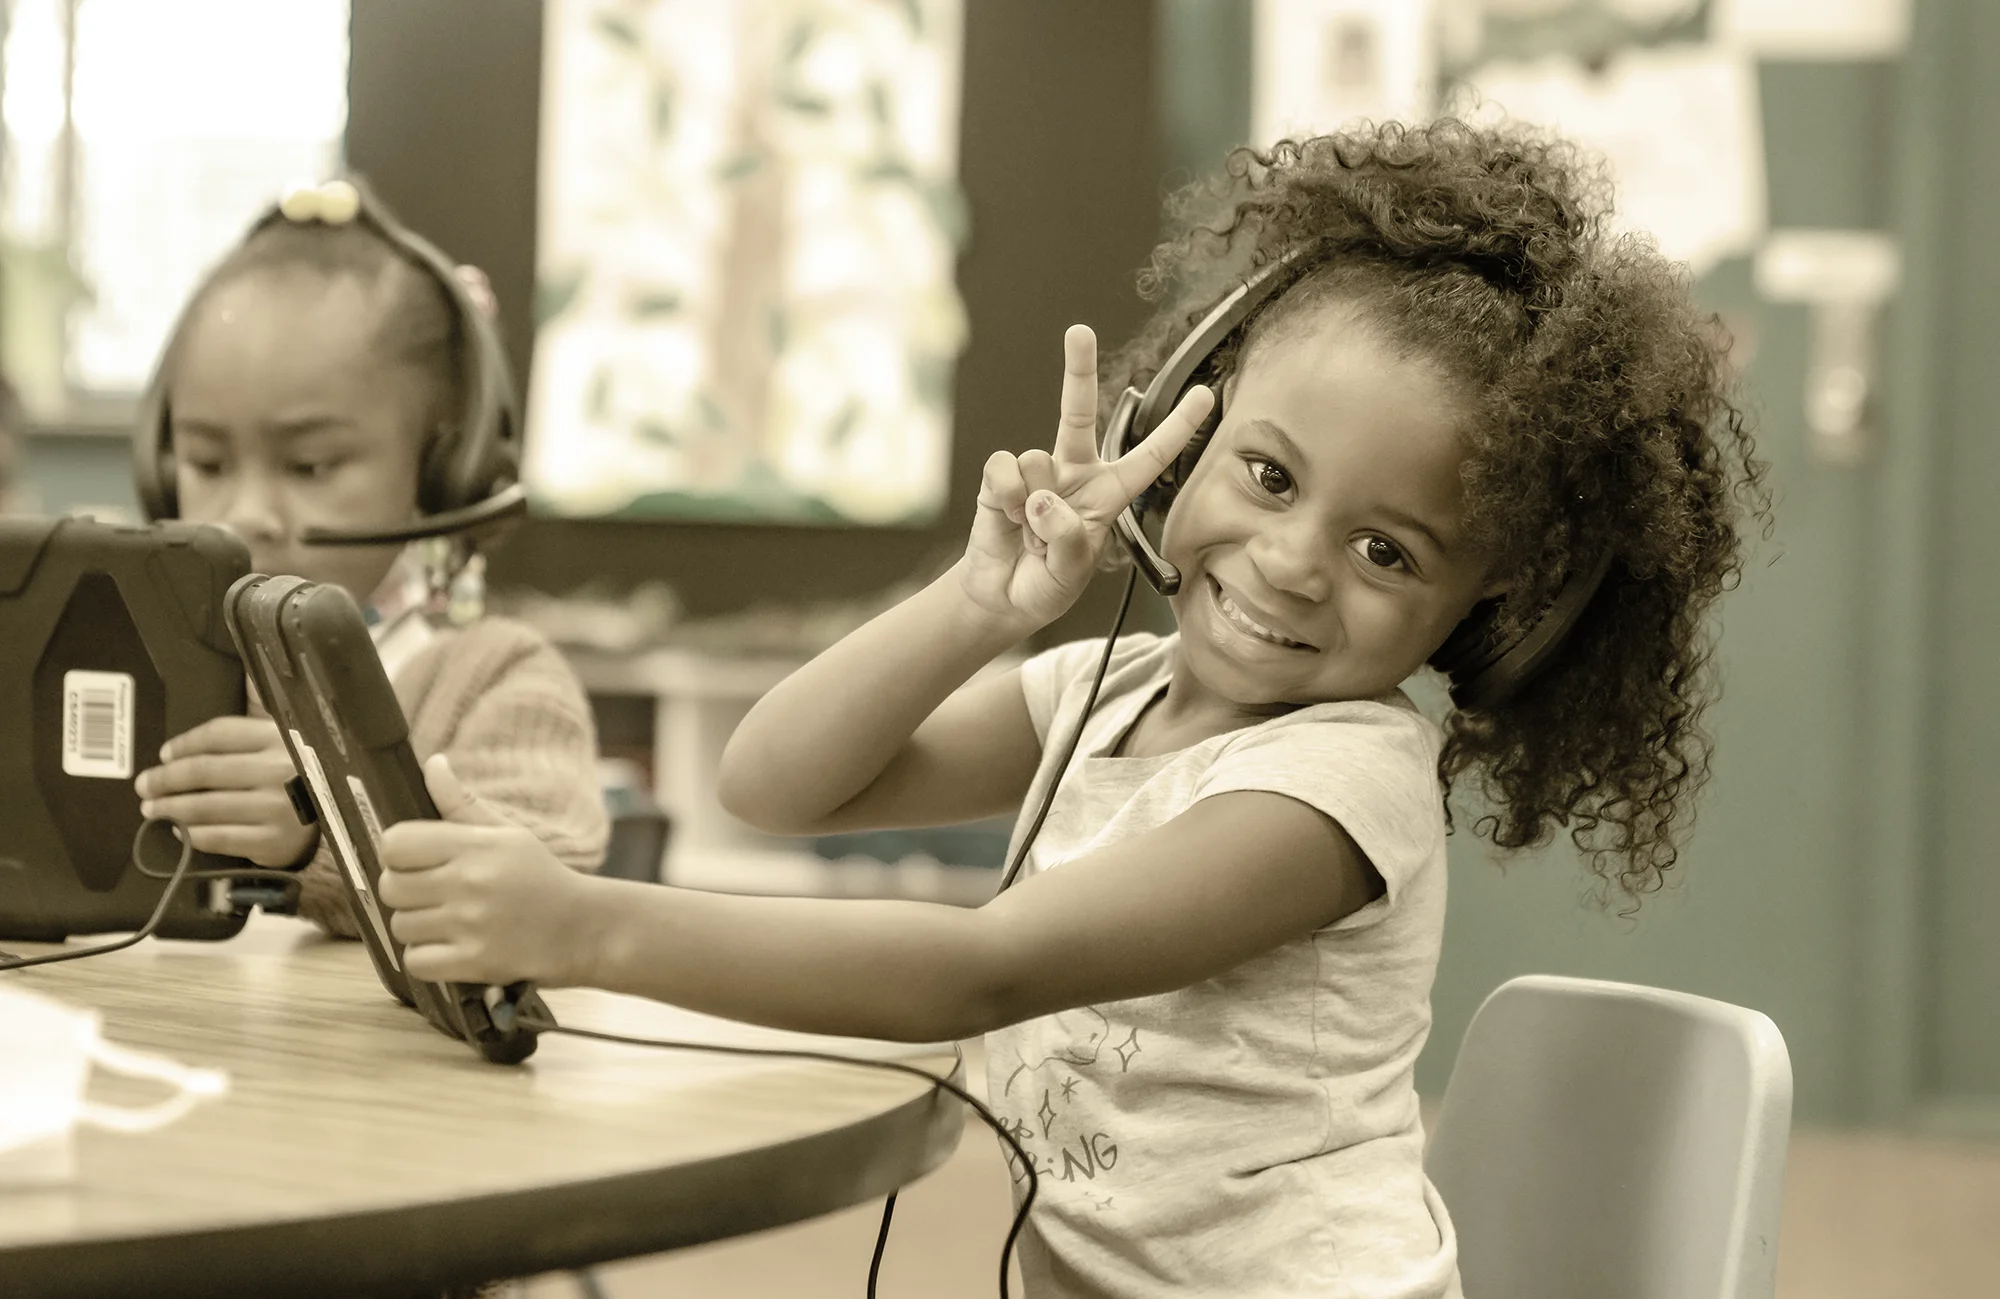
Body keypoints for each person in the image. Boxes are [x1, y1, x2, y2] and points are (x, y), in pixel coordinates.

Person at [373, 121, 1769, 1297]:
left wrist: (592, 926)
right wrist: (984, 606)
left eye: (1386, 549)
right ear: (1188, 428)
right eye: (1272, 478)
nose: (1291, 561)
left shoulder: (1341, 792)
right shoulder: (1106, 687)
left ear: (1485, 612)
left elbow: (984, 969)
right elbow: (778, 782)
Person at [131, 178, 608, 938]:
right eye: (208, 464)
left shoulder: (498, 680)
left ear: (441, 467)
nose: (246, 511)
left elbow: (543, 874)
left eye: (311, 466)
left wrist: (322, 828)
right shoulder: (127, 665)